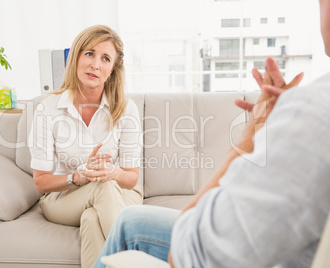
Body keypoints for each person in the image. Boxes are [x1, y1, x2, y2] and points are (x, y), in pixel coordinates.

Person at [94, 0, 330, 266]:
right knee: (129, 221)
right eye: (89, 54)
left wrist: (251, 134)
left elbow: (190, 252)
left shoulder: (314, 111)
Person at [29, 25, 143, 268]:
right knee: (101, 188)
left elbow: (131, 179)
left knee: (93, 218)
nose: (95, 65)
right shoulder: (47, 110)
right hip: (63, 197)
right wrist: (78, 177)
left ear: (112, 70)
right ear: (76, 57)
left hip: (121, 193)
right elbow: (41, 183)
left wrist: (111, 173)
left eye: (105, 58)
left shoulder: (126, 109)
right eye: (89, 53)